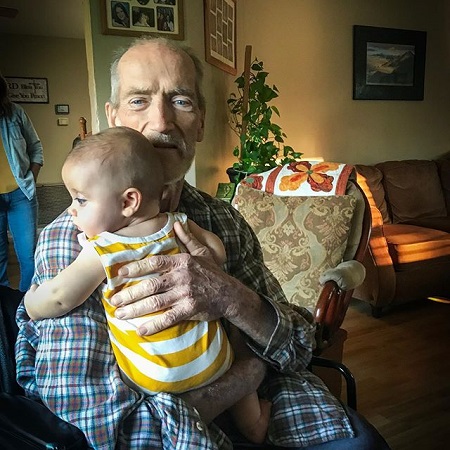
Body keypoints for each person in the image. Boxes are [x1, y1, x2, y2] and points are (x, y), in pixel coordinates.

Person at [15, 37, 390, 449]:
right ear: (112, 116)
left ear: (202, 122)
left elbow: (296, 347)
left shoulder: (222, 220)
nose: (161, 123)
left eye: (180, 101)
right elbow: (95, 422)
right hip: (164, 431)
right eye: (139, 100)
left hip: (262, 406)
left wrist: (232, 297)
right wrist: (240, 379)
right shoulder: (71, 240)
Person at [24, 126, 271, 444]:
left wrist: (30, 302)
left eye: (81, 200)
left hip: (153, 376)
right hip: (214, 360)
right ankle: (254, 424)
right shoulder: (177, 223)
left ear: (129, 202)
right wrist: (210, 262)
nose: (71, 209)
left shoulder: (104, 249)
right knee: (234, 350)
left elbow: (59, 298)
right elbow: (216, 251)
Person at [0, 73, 43, 293]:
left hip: (21, 194)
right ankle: (4, 308)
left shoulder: (16, 113)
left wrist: (31, 178)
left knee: (28, 254)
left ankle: (26, 304)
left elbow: (36, 147)